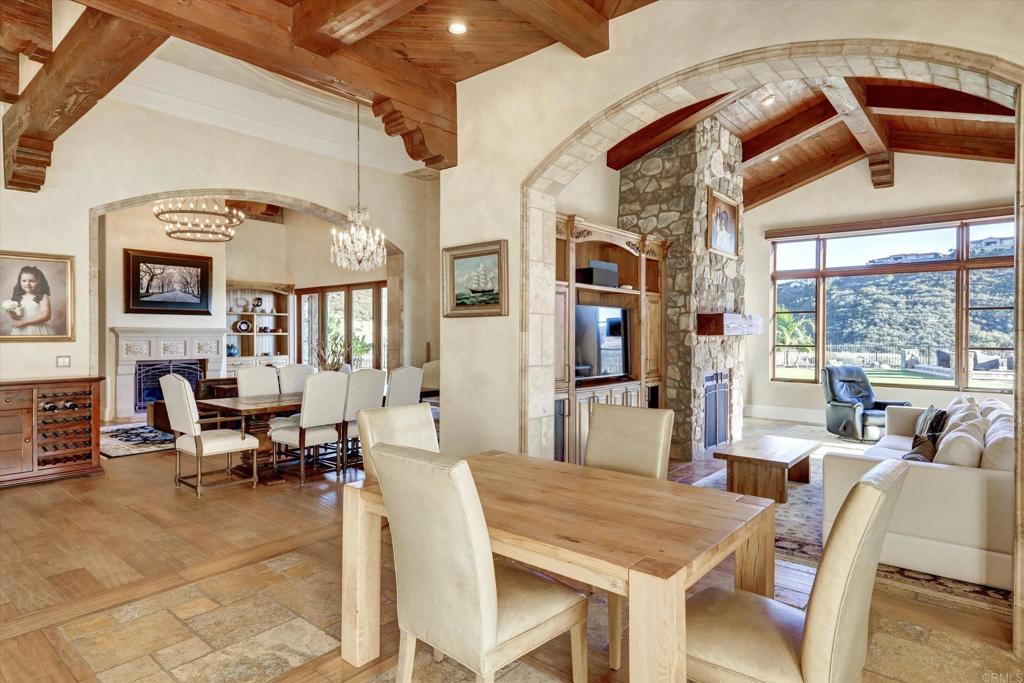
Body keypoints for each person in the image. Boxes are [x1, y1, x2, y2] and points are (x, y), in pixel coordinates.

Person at [7, 266, 52, 336]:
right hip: (20, 329)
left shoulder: (43, 296)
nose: (27, 284)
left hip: (37, 329)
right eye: (24, 281)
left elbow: (46, 315)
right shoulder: (19, 297)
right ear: (20, 282)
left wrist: (24, 322)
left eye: (32, 281)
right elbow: (18, 316)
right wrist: (13, 315)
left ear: (39, 282)